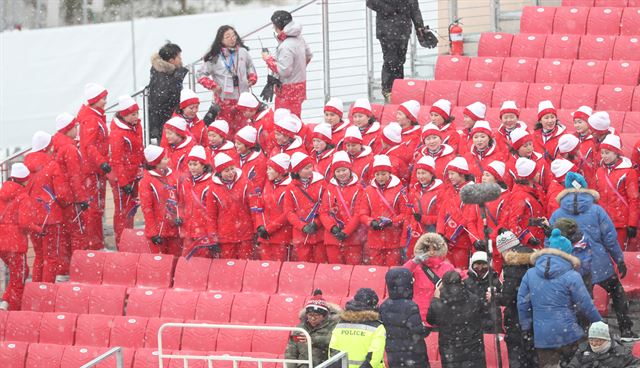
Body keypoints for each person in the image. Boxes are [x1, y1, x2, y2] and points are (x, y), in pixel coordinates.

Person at [550, 171, 638, 340]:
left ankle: (584, 335)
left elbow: (551, 243)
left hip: (574, 266)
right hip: (599, 263)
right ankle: (626, 330)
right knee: (617, 292)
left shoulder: (557, 214)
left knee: (582, 301)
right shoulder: (597, 210)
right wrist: (619, 260)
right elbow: (610, 238)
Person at [518, 228, 602, 367]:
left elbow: (522, 303)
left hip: (542, 335)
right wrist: (599, 323)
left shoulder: (530, 274)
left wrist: (526, 327)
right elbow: (585, 304)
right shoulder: (572, 276)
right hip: (569, 333)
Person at [24, 131, 72, 283]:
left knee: (39, 256)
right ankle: (46, 291)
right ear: (47, 147)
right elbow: (62, 194)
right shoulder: (52, 165)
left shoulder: (25, 166)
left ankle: (37, 288)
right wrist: (66, 204)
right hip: (49, 217)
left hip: (32, 218)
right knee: (51, 257)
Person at [198, 25, 257, 136]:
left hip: (243, 100)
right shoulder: (214, 57)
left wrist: (252, 77)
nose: (232, 38)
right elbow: (200, 75)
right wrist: (212, 85)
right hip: (224, 102)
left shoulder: (243, 52)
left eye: (234, 35)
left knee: (243, 132)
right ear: (221, 40)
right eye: (228, 36)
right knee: (226, 132)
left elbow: (250, 66)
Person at [51, 113, 91, 275]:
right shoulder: (69, 148)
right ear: (68, 129)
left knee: (66, 236)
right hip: (72, 199)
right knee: (78, 234)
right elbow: (75, 176)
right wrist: (82, 198)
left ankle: (65, 270)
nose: (77, 129)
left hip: (62, 197)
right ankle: (79, 272)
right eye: (75, 127)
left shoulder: (57, 146)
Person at [490, 230, 537, 368]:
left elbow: (508, 298)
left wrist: (494, 297)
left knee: (518, 356)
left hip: (518, 317)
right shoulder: (532, 257)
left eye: (502, 253)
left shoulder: (512, 263)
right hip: (535, 314)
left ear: (507, 249)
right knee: (532, 357)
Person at [366, 0, 426, 101]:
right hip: (387, 30)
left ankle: (398, 89)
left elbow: (414, 8)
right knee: (391, 61)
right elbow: (370, 2)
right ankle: (388, 91)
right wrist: (392, 9)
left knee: (400, 61)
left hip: (403, 30)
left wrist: (420, 28)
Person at [76, 82, 111, 250]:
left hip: (96, 170)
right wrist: (102, 162)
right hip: (93, 170)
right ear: (95, 100)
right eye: (103, 98)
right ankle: (95, 246)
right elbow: (89, 146)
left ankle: (96, 244)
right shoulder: (91, 119)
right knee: (94, 210)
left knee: (96, 209)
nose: (105, 101)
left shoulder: (94, 116)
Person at [427, 271, 487, 368]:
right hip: (474, 349)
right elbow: (484, 313)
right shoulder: (473, 299)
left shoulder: (439, 304)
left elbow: (430, 320)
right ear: (461, 282)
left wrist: (436, 299)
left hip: (450, 351)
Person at [108, 96, 144, 246]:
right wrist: (123, 182)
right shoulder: (118, 133)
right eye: (132, 114)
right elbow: (117, 161)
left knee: (131, 210)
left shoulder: (136, 127)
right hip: (122, 178)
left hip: (133, 174)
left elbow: (138, 150)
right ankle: (121, 242)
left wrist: (142, 165)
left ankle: (127, 239)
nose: (136, 117)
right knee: (123, 211)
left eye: (136, 113)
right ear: (123, 115)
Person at [262, 11, 312, 117]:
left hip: (288, 90)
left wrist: (268, 59)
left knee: (283, 121)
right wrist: (299, 69)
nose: (273, 29)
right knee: (295, 118)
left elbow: (284, 71)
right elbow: (309, 55)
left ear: (279, 26)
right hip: (300, 86)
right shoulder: (299, 38)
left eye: (274, 26)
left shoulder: (286, 45)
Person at [0, 163, 37, 310]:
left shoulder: (1, 194)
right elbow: (25, 223)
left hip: (2, 242)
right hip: (15, 244)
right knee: (19, 277)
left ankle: (5, 301)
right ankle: (12, 310)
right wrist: (37, 228)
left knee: (21, 272)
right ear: (24, 179)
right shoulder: (23, 197)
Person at [319, 152, 366, 265]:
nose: (341, 174)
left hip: (353, 238)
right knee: (335, 272)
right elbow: (323, 212)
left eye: (344, 170)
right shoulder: (330, 188)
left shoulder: (358, 188)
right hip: (332, 238)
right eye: (338, 171)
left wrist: (347, 231)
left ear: (350, 170)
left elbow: (358, 213)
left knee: (353, 272)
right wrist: (332, 228)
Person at [595, 134, 638, 251]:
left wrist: (632, 223)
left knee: (618, 255)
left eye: (607, 152)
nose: (604, 156)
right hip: (603, 220)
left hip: (621, 222)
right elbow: (597, 195)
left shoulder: (628, 172)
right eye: (602, 153)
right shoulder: (599, 171)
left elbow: (634, 199)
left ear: (616, 153)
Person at [380, 268, 431, 368]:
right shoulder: (410, 306)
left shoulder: (384, 305)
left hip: (393, 354)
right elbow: (418, 331)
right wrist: (426, 329)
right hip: (413, 355)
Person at [208, 152, 254, 259]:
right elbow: (211, 216)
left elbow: (254, 208)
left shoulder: (245, 183)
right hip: (225, 236)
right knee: (228, 268)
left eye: (232, 168)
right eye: (226, 170)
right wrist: (212, 237)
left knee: (245, 266)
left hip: (245, 233)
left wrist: (256, 229)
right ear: (219, 172)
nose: (231, 173)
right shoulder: (213, 189)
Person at [360, 155, 404, 266]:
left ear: (390, 173)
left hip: (393, 239)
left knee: (392, 270)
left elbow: (405, 214)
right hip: (374, 239)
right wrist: (371, 222)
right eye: (377, 174)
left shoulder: (399, 189)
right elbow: (362, 213)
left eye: (383, 174)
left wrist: (391, 222)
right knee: (376, 271)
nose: (380, 177)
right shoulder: (368, 190)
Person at [436, 157, 480, 268]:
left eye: (452, 174)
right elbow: (442, 213)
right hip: (447, 241)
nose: (450, 177)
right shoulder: (451, 190)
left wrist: (450, 236)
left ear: (462, 174)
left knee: (460, 272)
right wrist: (440, 233)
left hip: (461, 241)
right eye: (449, 174)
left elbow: (467, 218)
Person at [139, 145, 183, 256]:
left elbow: (182, 200)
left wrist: (181, 217)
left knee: (176, 260)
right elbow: (147, 208)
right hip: (159, 230)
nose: (168, 160)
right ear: (156, 162)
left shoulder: (175, 175)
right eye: (164, 158)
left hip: (175, 228)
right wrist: (153, 232)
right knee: (160, 264)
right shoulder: (147, 180)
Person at [403, 233, 455, 322]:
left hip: (440, 314)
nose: (431, 252)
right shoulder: (416, 266)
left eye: (434, 249)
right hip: (419, 315)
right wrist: (414, 261)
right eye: (427, 249)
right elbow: (400, 274)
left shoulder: (448, 267)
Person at [285, 152, 326, 263]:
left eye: (310, 167)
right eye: (305, 168)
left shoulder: (321, 183)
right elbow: (289, 212)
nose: (310, 170)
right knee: (303, 267)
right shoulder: (291, 188)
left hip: (318, 233)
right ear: (297, 171)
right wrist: (302, 226)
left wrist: (317, 223)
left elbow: (326, 206)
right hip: (301, 235)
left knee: (319, 266)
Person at [329, 288, 386, 368]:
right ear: (374, 305)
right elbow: (374, 358)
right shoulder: (378, 328)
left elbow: (333, 352)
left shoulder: (340, 324)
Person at [285, 290, 340, 368]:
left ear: (324, 315)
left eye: (317, 315)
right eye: (310, 315)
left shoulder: (334, 325)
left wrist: (312, 340)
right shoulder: (300, 328)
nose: (312, 318)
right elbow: (291, 351)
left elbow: (333, 342)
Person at [403, 156, 444, 259]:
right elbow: (408, 214)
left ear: (432, 174)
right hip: (414, 232)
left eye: (424, 173)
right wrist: (405, 236)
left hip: (430, 231)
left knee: (430, 261)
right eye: (418, 173)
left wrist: (424, 219)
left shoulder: (440, 191)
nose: (421, 176)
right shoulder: (414, 190)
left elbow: (441, 217)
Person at [254, 153, 293, 261]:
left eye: (270, 169)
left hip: (280, 237)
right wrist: (260, 226)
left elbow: (287, 214)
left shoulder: (288, 187)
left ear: (279, 170)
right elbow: (259, 207)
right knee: (265, 269)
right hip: (265, 237)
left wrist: (269, 229)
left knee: (279, 270)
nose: (267, 172)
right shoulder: (268, 184)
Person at [179, 146, 216, 258]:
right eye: (190, 164)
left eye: (195, 164)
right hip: (188, 231)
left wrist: (211, 235)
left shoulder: (210, 183)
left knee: (202, 264)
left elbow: (212, 212)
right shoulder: (186, 182)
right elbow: (181, 204)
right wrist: (180, 217)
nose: (192, 167)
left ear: (203, 165)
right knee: (187, 263)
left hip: (203, 232)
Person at [148, 42, 189, 141]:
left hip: (164, 123)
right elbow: (165, 101)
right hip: (166, 124)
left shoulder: (161, 72)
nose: (181, 60)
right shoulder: (166, 78)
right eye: (179, 57)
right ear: (171, 61)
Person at [504, 157, 545, 248]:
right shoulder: (519, 196)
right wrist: (527, 238)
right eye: (536, 172)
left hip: (538, 238)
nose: (539, 174)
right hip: (529, 246)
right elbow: (513, 223)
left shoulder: (535, 189)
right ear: (530, 176)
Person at [567, 321, 640, 368]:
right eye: (591, 340)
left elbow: (636, 364)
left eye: (598, 341)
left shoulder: (622, 353)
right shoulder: (583, 351)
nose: (594, 344)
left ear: (606, 339)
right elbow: (572, 365)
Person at [463, 251, 503, 333]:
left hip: (492, 323)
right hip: (472, 323)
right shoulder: (466, 282)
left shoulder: (495, 282)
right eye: (477, 264)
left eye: (483, 264)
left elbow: (504, 299)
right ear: (472, 265)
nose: (480, 268)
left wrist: (495, 297)